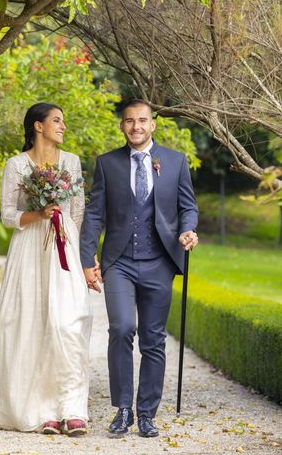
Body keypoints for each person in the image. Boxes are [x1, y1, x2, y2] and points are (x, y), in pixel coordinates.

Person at [79, 99, 199, 438]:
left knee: (153, 340)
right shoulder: (107, 163)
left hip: (160, 261)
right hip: (119, 262)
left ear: (153, 124)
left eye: (142, 120)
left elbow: (188, 207)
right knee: (121, 328)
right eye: (130, 121)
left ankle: (147, 413)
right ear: (122, 125)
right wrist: (88, 260)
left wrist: (188, 229)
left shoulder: (175, 162)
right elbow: (94, 215)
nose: (136, 127)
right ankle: (123, 409)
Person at [0, 102, 92, 436]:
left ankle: (73, 408)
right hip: (30, 249)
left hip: (64, 249)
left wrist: (68, 241)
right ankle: (43, 411)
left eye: (64, 120)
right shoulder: (16, 165)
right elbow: (6, 213)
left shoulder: (71, 162)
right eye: (57, 120)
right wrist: (40, 215)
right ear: (38, 126)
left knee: (68, 324)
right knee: (33, 324)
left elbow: (78, 210)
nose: (63, 126)